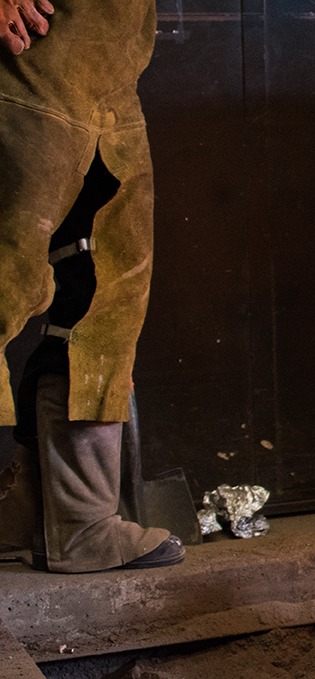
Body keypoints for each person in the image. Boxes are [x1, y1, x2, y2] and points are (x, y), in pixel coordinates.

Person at [0, 0, 186, 573]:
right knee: (5, 283)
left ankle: (73, 521)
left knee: (104, 299)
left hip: (108, 78)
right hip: (29, 68)